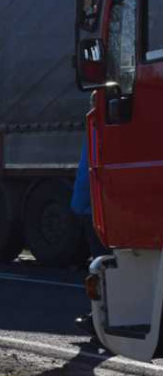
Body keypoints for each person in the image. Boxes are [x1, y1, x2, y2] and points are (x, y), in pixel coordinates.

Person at [72, 137, 108, 340]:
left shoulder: (96, 130)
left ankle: (99, 320)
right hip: (101, 207)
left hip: (93, 210)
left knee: (100, 268)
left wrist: (78, 206)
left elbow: (87, 173)